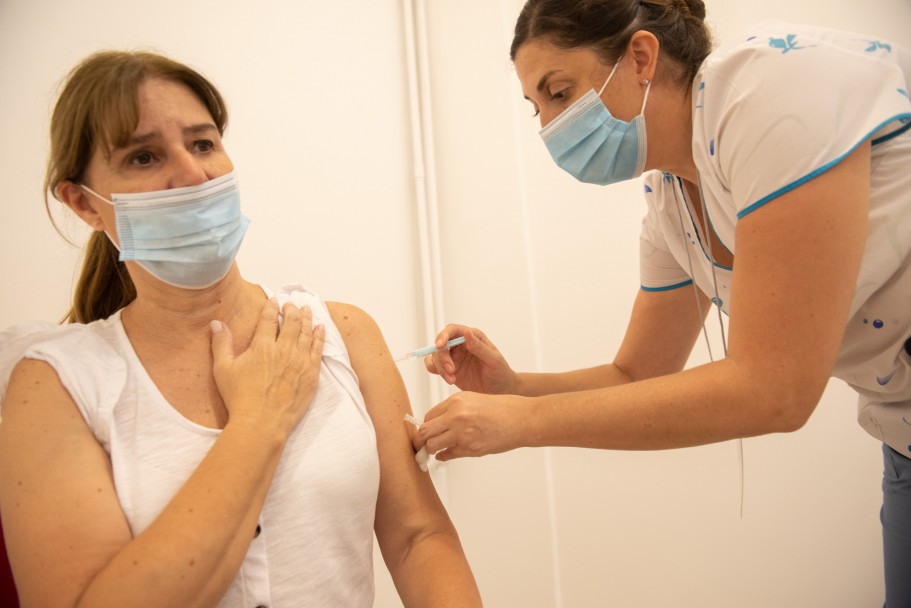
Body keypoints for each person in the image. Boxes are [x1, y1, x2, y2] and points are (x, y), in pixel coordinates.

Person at [411, 0, 911, 605]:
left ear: (641, 57)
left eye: (559, 92)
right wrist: (515, 390)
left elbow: (775, 389)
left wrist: (524, 425)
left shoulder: (769, 90)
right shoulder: (672, 200)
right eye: (536, 107)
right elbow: (638, 373)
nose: (547, 126)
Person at [0, 50, 482, 607]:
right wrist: (260, 418)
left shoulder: (341, 333)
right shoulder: (56, 384)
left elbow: (418, 535)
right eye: (143, 157)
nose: (192, 172)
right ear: (83, 202)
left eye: (203, 143)